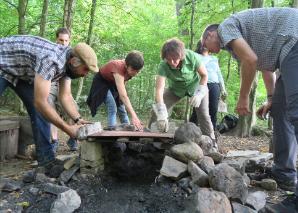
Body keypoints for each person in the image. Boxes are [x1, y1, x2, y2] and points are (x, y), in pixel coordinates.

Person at [201, 7, 298, 212]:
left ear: (211, 34)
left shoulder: (226, 27)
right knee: (280, 110)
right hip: (285, 50)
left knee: (296, 112)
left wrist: (243, 96)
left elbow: (251, 61)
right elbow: (264, 65)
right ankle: (284, 174)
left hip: (294, 40)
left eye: (204, 44)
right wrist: (271, 97)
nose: (206, 48)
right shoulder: (241, 41)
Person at [0, 35, 98, 177]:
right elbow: (41, 102)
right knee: (41, 106)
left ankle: (46, 161)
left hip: (21, 73)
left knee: (40, 112)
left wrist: (77, 119)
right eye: (85, 69)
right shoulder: (50, 60)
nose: (85, 74)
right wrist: (67, 128)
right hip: (3, 62)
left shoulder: (68, 65)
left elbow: (65, 96)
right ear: (74, 61)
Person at [149, 38, 216, 143]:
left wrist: (200, 93)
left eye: (175, 59)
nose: (172, 62)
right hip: (175, 89)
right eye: (168, 59)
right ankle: (150, 137)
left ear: (181, 55)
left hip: (196, 87)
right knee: (156, 111)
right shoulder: (163, 65)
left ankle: (211, 142)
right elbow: (159, 90)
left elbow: (204, 75)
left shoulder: (191, 56)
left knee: (204, 115)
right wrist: (161, 113)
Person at [87, 51, 144, 131]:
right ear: (126, 65)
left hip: (114, 84)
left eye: (137, 71)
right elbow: (123, 95)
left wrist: (122, 99)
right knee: (112, 107)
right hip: (102, 83)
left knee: (122, 108)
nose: (135, 73)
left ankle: (129, 130)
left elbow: (123, 84)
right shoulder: (118, 67)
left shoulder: (130, 70)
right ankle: (112, 132)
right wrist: (134, 116)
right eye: (133, 70)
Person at [49, 27, 79, 152]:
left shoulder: (71, 56)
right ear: (56, 39)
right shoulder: (49, 51)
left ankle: (73, 138)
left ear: (69, 41)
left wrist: (68, 98)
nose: (63, 43)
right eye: (61, 40)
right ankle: (54, 141)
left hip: (63, 86)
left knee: (74, 108)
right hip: (49, 84)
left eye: (66, 41)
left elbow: (67, 82)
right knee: (49, 106)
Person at [189, 40, 227, 129]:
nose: (206, 46)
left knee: (213, 110)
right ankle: (189, 132)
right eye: (204, 44)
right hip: (201, 85)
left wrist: (223, 89)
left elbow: (219, 74)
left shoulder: (214, 58)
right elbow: (194, 70)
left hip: (214, 85)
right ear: (201, 45)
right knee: (197, 110)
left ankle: (212, 135)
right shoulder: (195, 56)